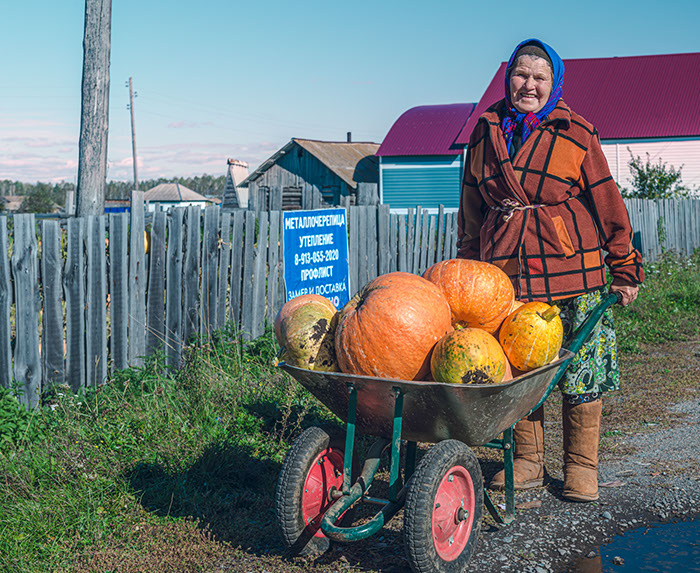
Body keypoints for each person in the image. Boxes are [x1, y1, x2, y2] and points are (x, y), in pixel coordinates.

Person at [457, 38, 644, 502]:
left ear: (554, 83)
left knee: (582, 369)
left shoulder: (577, 132)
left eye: (541, 78)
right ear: (508, 77)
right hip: (508, 271)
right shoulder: (486, 131)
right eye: (522, 74)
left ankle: (581, 466)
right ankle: (528, 461)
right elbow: (471, 208)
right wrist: (466, 272)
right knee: (522, 371)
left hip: (571, 271)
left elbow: (607, 202)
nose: (530, 85)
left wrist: (623, 267)